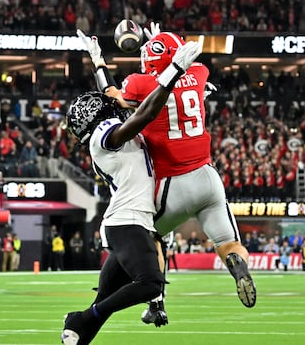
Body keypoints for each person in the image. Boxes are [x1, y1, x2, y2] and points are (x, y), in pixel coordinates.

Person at [78, 25, 256, 327]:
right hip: (208, 175)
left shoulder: (139, 83)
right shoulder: (198, 74)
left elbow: (114, 96)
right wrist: (159, 41)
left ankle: (156, 302)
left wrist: (99, 63)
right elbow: (177, 64)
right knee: (227, 242)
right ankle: (236, 264)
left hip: (171, 180)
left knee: (149, 236)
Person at [61, 39, 202, 345]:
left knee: (104, 302)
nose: (104, 104)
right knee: (150, 284)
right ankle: (81, 320)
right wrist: (175, 70)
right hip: (126, 221)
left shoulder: (106, 125)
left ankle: (78, 330)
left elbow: (114, 96)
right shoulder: (102, 138)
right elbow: (144, 115)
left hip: (132, 220)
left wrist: (98, 61)